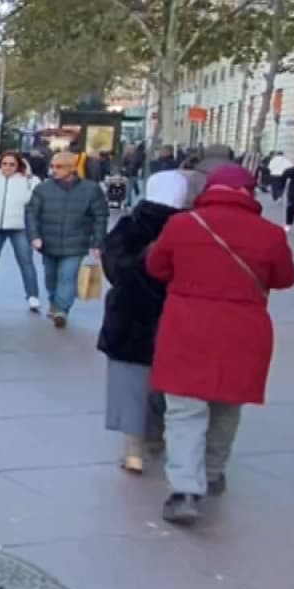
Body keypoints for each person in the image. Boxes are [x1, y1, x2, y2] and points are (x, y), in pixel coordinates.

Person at [146, 164, 294, 525]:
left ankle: (184, 488)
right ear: (249, 192)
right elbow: (285, 279)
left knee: (184, 409)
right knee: (227, 405)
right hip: (243, 328)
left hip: (187, 325)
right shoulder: (271, 234)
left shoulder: (182, 224)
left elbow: (156, 266)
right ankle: (213, 471)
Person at [97, 171, 193, 474]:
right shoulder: (191, 229)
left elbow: (115, 270)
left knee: (129, 383)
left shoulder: (128, 228)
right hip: (177, 314)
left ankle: (133, 450)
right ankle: (158, 435)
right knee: (169, 384)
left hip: (130, 314)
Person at [27, 152, 109, 329]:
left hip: (76, 243)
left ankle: (61, 310)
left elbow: (100, 217)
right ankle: (54, 301)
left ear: (73, 168)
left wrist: (97, 243)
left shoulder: (91, 189)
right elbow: (31, 213)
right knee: (51, 277)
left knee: (68, 276)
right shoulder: (43, 189)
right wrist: (34, 236)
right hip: (48, 242)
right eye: (53, 166)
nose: (54, 170)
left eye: (59, 167)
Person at [0, 151, 41, 310]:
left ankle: (32, 295)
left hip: (20, 226)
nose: (8, 167)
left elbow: (36, 203)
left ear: (18, 165)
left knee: (26, 261)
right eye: (4, 164)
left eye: (12, 164)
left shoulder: (29, 181)